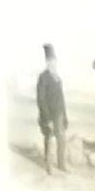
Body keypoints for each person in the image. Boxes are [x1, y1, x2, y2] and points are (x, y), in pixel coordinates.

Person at [36, 43, 68, 174]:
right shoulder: (43, 77)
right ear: (47, 62)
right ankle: (48, 166)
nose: (52, 63)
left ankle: (61, 164)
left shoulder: (58, 78)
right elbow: (41, 99)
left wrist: (65, 116)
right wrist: (47, 117)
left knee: (61, 139)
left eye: (54, 61)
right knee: (48, 139)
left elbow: (62, 99)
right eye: (50, 61)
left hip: (59, 114)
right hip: (48, 114)